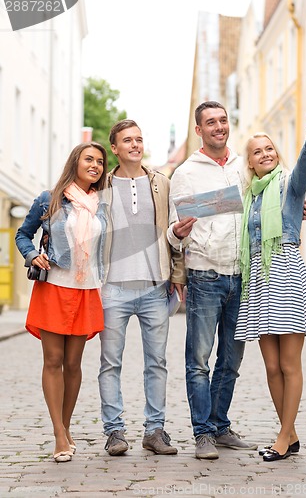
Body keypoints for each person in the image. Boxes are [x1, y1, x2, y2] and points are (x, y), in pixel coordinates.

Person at [167, 101, 258, 459]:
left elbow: (262, 203)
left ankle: (220, 426)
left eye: (223, 120)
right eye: (211, 122)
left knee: (231, 360)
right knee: (199, 360)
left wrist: (296, 208)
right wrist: (177, 231)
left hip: (243, 275)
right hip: (205, 275)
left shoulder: (242, 165)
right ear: (199, 130)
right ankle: (202, 433)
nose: (219, 126)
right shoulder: (186, 173)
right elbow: (175, 235)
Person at [234, 119, 306, 462]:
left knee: (289, 364)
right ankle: (292, 433)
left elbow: (303, 171)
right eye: (258, 151)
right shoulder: (249, 197)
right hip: (257, 277)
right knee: (271, 366)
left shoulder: (289, 185)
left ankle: (283, 438)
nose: (265, 154)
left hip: (285, 272)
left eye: (269, 148)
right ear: (251, 163)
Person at [15, 142, 109, 463]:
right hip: (54, 286)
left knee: (73, 365)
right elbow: (22, 235)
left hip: (85, 290)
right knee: (53, 361)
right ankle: (58, 434)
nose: (95, 165)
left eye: (99, 161)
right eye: (89, 159)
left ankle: (66, 426)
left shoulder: (102, 204)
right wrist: (33, 255)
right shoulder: (50, 198)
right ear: (76, 162)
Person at [98, 119, 185, 456]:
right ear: (115, 148)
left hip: (153, 287)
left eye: (139, 139)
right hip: (112, 288)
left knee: (157, 362)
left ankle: (155, 430)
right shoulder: (100, 185)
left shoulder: (161, 183)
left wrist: (177, 274)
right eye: (127, 140)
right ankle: (114, 431)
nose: (135, 145)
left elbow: (174, 232)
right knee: (110, 363)